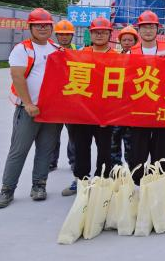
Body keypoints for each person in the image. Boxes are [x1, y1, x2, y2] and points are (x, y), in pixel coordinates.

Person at [0, 8, 62, 208]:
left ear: (51, 28)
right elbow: (17, 76)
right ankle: (7, 190)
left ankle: (39, 185)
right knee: (19, 150)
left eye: (46, 25)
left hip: (51, 112)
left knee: (45, 150)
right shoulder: (22, 50)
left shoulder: (57, 49)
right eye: (38, 25)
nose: (43, 28)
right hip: (28, 110)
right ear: (30, 27)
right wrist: (28, 103)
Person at [62, 17, 116, 196]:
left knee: (105, 150)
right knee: (81, 148)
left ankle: (102, 182)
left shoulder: (118, 57)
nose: (99, 35)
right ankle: (81, 181)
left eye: (103, 32)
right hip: (83, 112)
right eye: (96, 32)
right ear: (90, 34)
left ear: (109, 34)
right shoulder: (80, 53)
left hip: (106, 113)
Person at [127, 10, 165, 184]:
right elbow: (126, 80)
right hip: (139, 111)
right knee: (138, 152)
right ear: (139, 30)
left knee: (161, 152)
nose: (148, 31)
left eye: (151, 27)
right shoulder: (132, 52)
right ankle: (138, 185)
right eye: (144, 27)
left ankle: (158, 185)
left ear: (157, 29)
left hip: (162, 110)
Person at [49, 20, 77, 173]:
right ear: (56, 35)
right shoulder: (50, 51)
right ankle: (51, 161)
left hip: (71, 99)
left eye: (67, 34)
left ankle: (74, 160)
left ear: (72, 35)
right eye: (61, 34)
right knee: (52, 134)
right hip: (54, 100)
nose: (64, 37)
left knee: (73, 134)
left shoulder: (79, 51)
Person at [110, 25, 139, 167]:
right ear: (120, 42)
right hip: (116, 107)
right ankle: (116, 168)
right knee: (114, 139)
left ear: (135, 42)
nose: (127, 43)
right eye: (124, 40)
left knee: (131, 142)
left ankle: (132, 169)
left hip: (132, 108)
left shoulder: (141, 58)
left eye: (130, 40)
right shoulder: (115, 58)